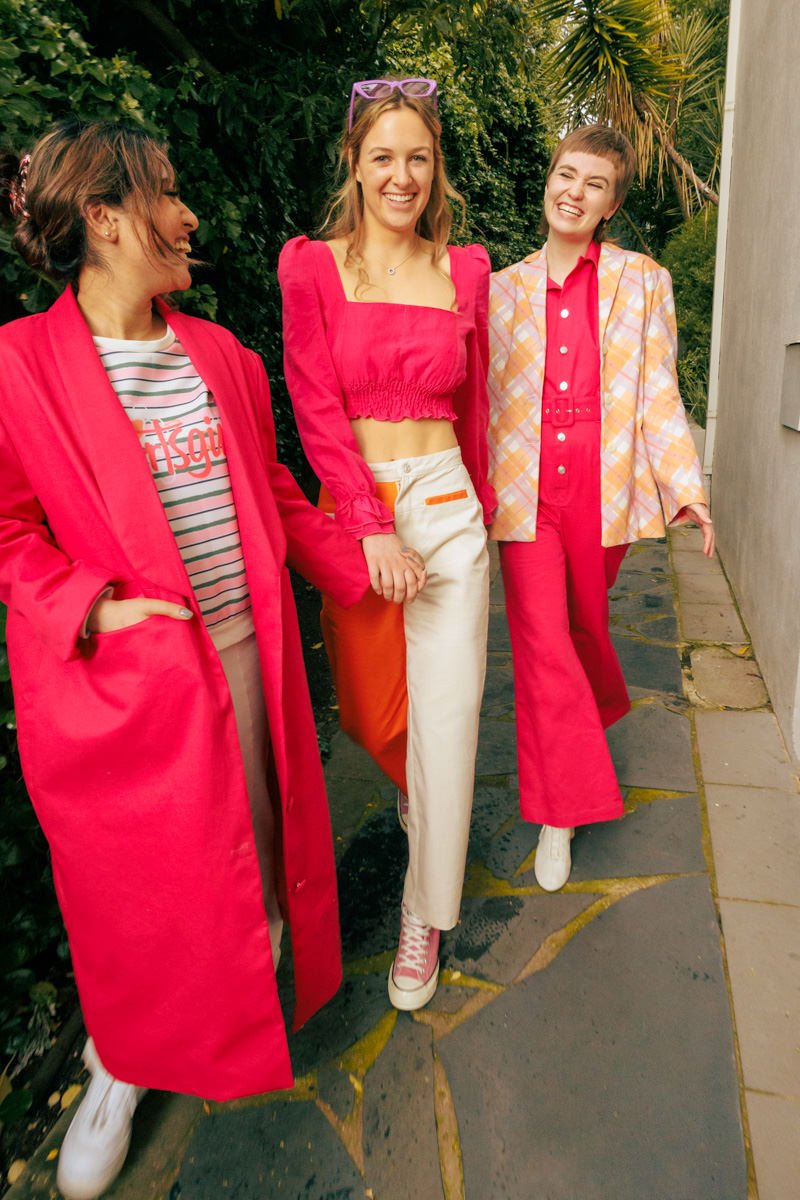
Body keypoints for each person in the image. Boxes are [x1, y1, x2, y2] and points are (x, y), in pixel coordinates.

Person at [0, 118, 368, 1200]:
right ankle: (120, 1062)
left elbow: (277, 493)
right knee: (134, 898)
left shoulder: (224, 357)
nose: (189, 214)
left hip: (247, 658)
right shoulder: (19, 368)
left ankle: (226, 1013)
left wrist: (366, 568)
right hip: (129, 689)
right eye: (167, 194)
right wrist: (93, 612)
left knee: (250, 853)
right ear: (107, 220)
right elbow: (9, 532)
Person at [278, 78, 494, 1012]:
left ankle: (423, 907)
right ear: (353, 164)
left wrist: (486, 514)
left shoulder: (468, 270)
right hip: (361, 511)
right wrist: (365, 525)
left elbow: (475, 405)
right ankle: (423, 799)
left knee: (448, 718)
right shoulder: (312, 268)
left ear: (434, 164)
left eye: (417, 156)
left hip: (448, 510)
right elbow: (314, 404)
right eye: (382, 157)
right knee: (371, 712)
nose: (401, 175)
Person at [488, 124, 714, 893]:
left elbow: (657, 393)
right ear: (546, 180)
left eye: (593, 184)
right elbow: (474, 400)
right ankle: (561, 809)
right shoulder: (498, 289)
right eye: (565, 174)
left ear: (611, 203)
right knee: (544, 641)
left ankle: (587, 715)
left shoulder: (643, 282)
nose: (573, 192)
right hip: (524, 489)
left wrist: (686, 486)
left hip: (601, 488)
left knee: (583, 628)